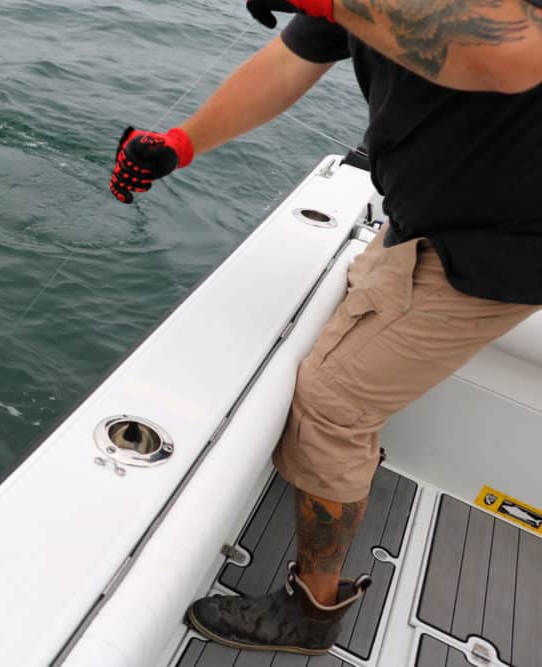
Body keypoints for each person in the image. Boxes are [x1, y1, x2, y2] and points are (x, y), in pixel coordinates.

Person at [108, 0, 542, 655]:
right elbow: (285, 65)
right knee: (348, 323)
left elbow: (513, 58)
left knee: (331, 401)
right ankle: (346, 467)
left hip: (498, 253)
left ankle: (311, 610)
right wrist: (182, 142)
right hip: (418, 220)